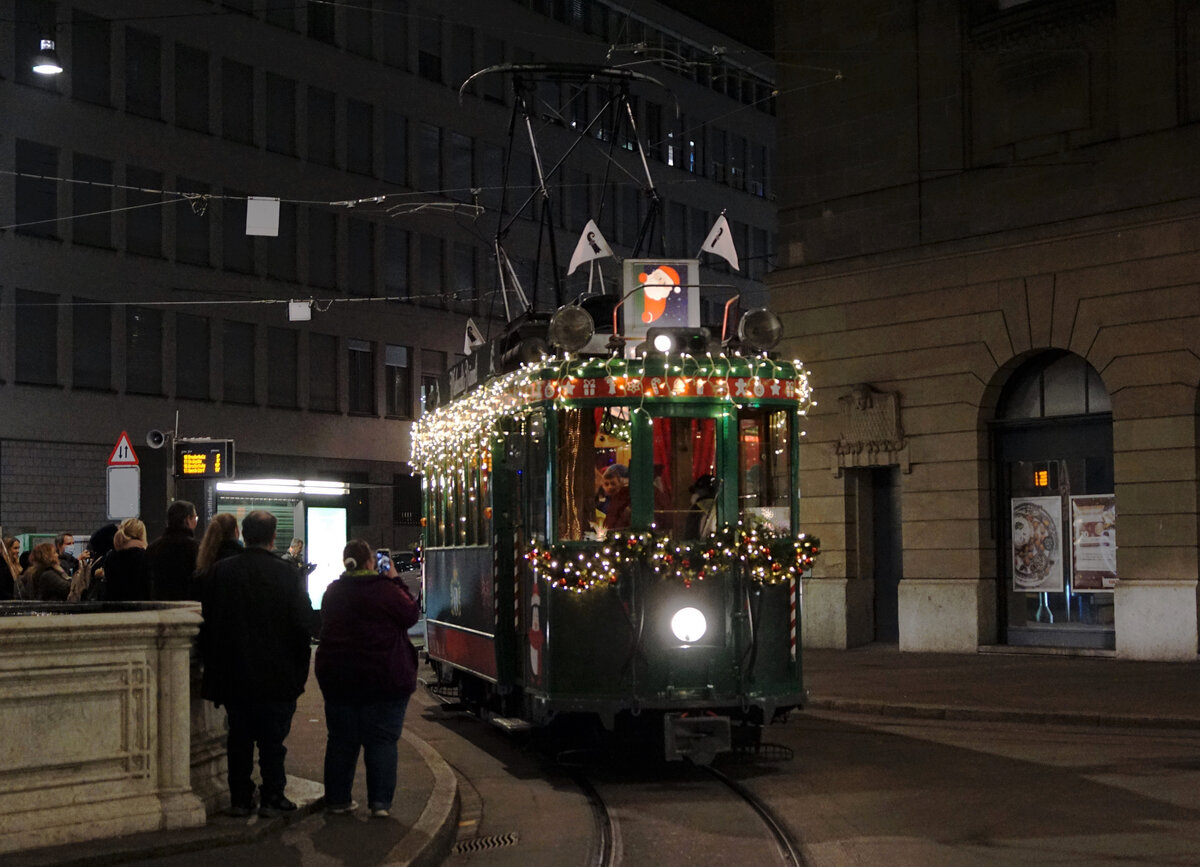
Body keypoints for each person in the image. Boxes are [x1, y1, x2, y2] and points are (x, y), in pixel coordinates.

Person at [198, 510, 313, 818]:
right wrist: (298, 674)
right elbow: (303, 625)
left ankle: (240, 797)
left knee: (239, 738)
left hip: (234, 673)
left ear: (243, 535)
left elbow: (207, 624)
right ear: (273, 537)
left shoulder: (220, 572)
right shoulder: (287, 574)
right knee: (272, 742)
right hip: (277, 673)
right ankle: (273, 794)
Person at [316, 539, 420, 818]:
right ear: (369, 563)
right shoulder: (386, 591)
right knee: (382, 741)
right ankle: (380, 805)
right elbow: (411, 613)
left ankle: (338, 801)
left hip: (338, 679)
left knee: (341, 740)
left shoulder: (333, 592)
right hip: (383, 679)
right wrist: (396, 580)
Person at [147, 500, 200, 601]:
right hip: (189, 608)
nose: (196, 522)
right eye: (195, 518)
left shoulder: (153, 548)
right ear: (187, 519)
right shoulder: (196, 548)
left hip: (159, 607)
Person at [103, 518, 153, 601]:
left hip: (114, 608)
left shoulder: (111, 557)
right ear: (142, 535)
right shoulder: (146, 556)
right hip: (140, 608)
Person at [685, 474, 718, 539]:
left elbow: (690, 534)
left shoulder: (697, 508)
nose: (695, 494)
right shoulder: (719, 506)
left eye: (697, 491)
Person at [601, 464, 631, 531]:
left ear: (620, 483)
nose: (610, 487)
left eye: (613, 483)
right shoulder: (602, 504)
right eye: (606, 484)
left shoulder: (622, 500)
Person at [1, 536, 20, 600]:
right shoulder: (3, 566)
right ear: (7, 549)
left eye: (18, 548)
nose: (18, 551)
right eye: (15, 548)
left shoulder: (17, 565)